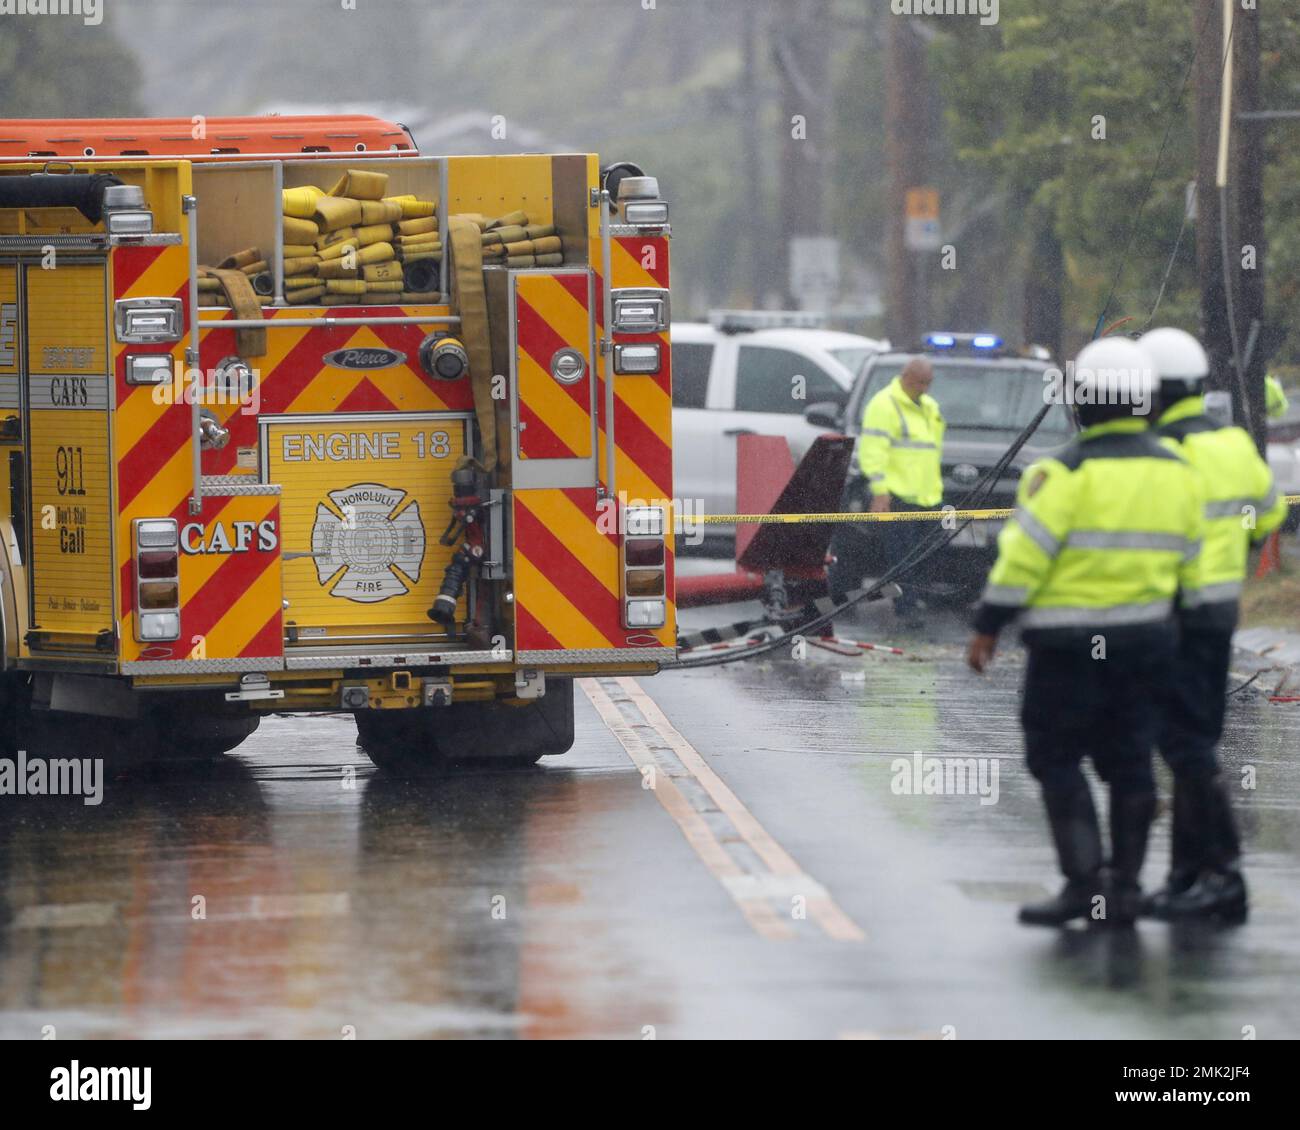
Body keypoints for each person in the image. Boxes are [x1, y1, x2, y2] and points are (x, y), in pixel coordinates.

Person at [966, 337, 1204, 928]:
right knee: (1131, 763)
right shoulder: (1180, 473)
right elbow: (1193, 563)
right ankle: (1123, 889)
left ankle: (1082, 883)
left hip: (1065, 653)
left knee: (1055, 756)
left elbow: (1022, 561)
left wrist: (988, 626)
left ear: (1080, 405)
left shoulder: (1059, 474)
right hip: (1147, 648)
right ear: (1146, 403)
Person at [1139, 328, 1286, 923]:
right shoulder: (1232, 444)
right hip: (1219, 613)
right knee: (1188, 741)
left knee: (1186, 745)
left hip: (1171, 614)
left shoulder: (1159, 454)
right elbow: (1270, 513)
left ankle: (1223, 874)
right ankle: (1186, 876)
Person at [834, 357, 945, 626]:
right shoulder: (884, 405)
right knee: (901, 557)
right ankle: (905, 607)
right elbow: (873, 453)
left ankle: (914, 600)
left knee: (922, 555)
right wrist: (880, 492)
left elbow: (928, 452)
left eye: (929, 383)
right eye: (921, 382)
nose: (925, 388)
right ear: (906, 377)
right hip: (898, 496)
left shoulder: (929, 407)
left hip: (927, 496)